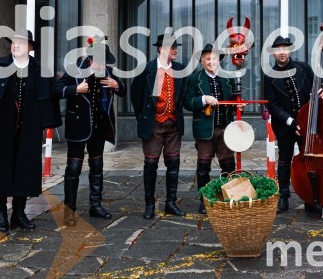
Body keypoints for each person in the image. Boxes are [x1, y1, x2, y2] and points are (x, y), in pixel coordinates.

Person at [0, 30, 61, 233]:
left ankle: (19, 213)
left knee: (23, 170)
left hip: (28, 129)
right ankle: (1, 213)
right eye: (13, 42)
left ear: (30, 48)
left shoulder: (40, 71)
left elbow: (53, 93)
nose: (15, 46)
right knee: (0, 169)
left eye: (21, 43)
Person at [53, 37, 125, 226]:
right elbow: (56, 89)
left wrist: (117, 86)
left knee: (97, 168)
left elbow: (123, 89)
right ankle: (69, 211)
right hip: (78, 126)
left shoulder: (108, 72)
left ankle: (96, 206)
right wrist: (75, 89)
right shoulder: (75, 70)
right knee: (73, 169)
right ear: (91, 59)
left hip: (99, 127)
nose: (103, 64)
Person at [263, 35, 323, 215]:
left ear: (290, 50)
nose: (282, 52)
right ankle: (283, 197)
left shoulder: (303, 68)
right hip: (285, 126)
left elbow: (320, 83)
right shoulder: (268, 75)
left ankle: (311, 198)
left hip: (308, 124)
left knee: (310, 160)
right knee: (284, 160)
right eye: (278, 49)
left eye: (285, 48)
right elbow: (273, 105)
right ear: (273, 53)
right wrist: (292, 122)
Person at [131, 34, 187, 219]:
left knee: (173, 163)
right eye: (172, 47)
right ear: (161, 49)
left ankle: (171, 203)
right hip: (154, 125)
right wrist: (145, 118)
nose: (176, 50)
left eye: (175, 47)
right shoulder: (146, 69)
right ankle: (149, 204)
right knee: (151, 164)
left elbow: (183, 96)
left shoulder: (180, 69)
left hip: (173, 125)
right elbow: (136, 97)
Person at [183, 44, 237, 214]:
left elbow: (234, 103)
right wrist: (203, 99)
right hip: (205, 130)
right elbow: (187, 102)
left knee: (228, 165)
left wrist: (239, 105)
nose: (211, 61)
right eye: (207, 58)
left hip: (225, 128)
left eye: (214, 58)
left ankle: (229, 196)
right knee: (203, 167)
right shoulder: (194, 79)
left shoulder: (228, 79)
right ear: (201, 61)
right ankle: (204, 200)